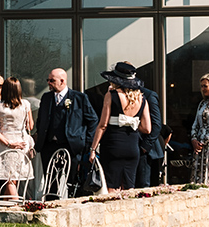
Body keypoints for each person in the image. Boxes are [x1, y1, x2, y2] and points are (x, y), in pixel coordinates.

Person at [90, 62, 151, 191]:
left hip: (113, 146)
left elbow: (102, 125)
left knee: (112, 187)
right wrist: (131, 122)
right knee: (129, 189)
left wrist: (93, 149)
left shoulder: (111, 95)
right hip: (132, 148)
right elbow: (147, 128)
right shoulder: (142, 99)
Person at [34, 68, 95, 197]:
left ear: (62, 81)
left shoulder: (79, 98)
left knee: (72, 182)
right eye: (48, 80)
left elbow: (93, 121)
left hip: (72, 146)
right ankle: (51, 207)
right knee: (51, 182)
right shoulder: (46, 98)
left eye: (52, 80)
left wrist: (86, 143)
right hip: (49, 146)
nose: (49, 83)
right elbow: (41, 120)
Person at [0, 75, 34, 196]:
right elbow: (30, 126)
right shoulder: (25, 104)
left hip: (5, 144)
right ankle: (13, 205)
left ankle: (15, 206)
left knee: (9, 180)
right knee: (14, 180)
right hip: (21, 142)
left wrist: (8, 143)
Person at [137, 83, 166, 186]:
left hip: (146, 149)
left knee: (144, 184)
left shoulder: (149, 95)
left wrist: (145, 146)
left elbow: (157, 124)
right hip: (131, 146)